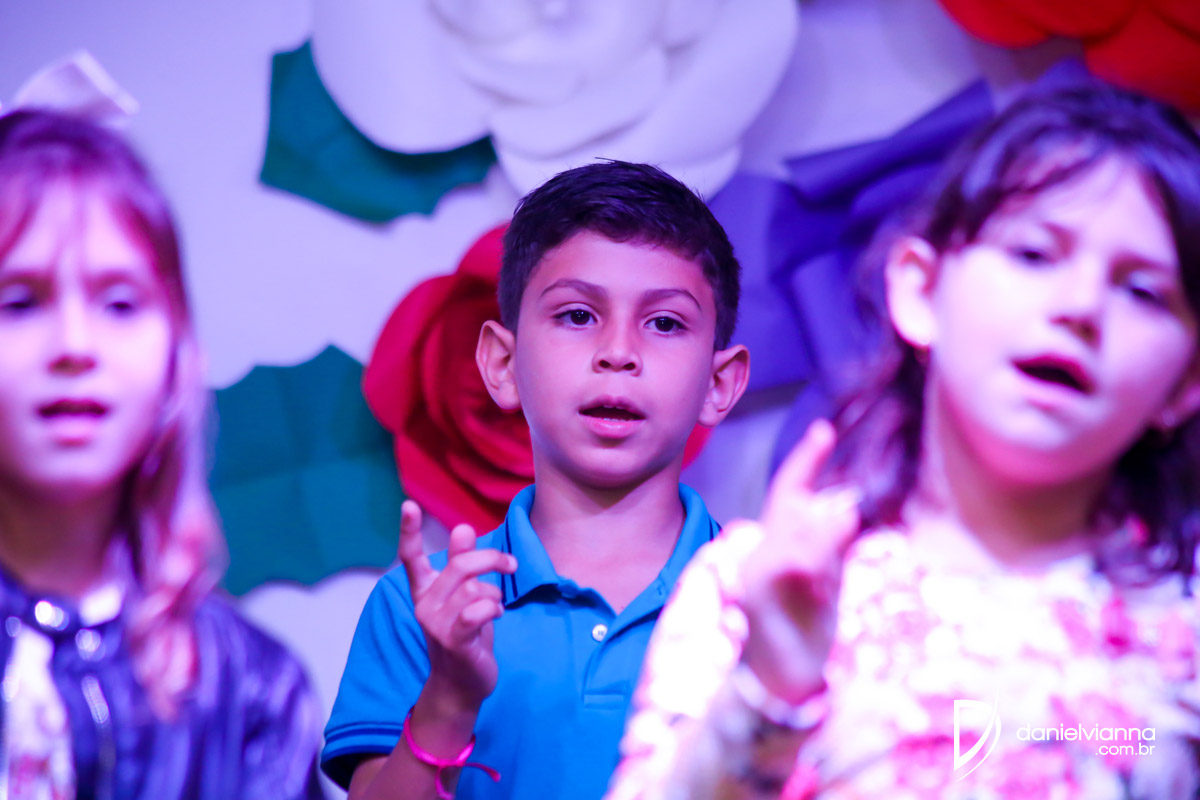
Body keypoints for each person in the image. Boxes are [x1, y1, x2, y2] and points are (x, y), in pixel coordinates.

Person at [605, 84, 1200, 799]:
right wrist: (771, 688)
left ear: (1186, 383)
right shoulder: (758, 585)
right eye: (1036, 253)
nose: (1081, 307)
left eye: (1142, 292)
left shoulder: (1185, 622)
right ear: (919, 290)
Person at [322, 161, 751, 800]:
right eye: (578, 315)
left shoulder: (770, 600)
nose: (618, 353)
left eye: (664, 323)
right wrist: (448, 701)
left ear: (719, 384)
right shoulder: (425, 608)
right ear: (502, 363)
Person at [0, 109, 324, 799]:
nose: (75, 346)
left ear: (176, 356)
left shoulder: (254, 693)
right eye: (20, 303)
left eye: (120, 304)